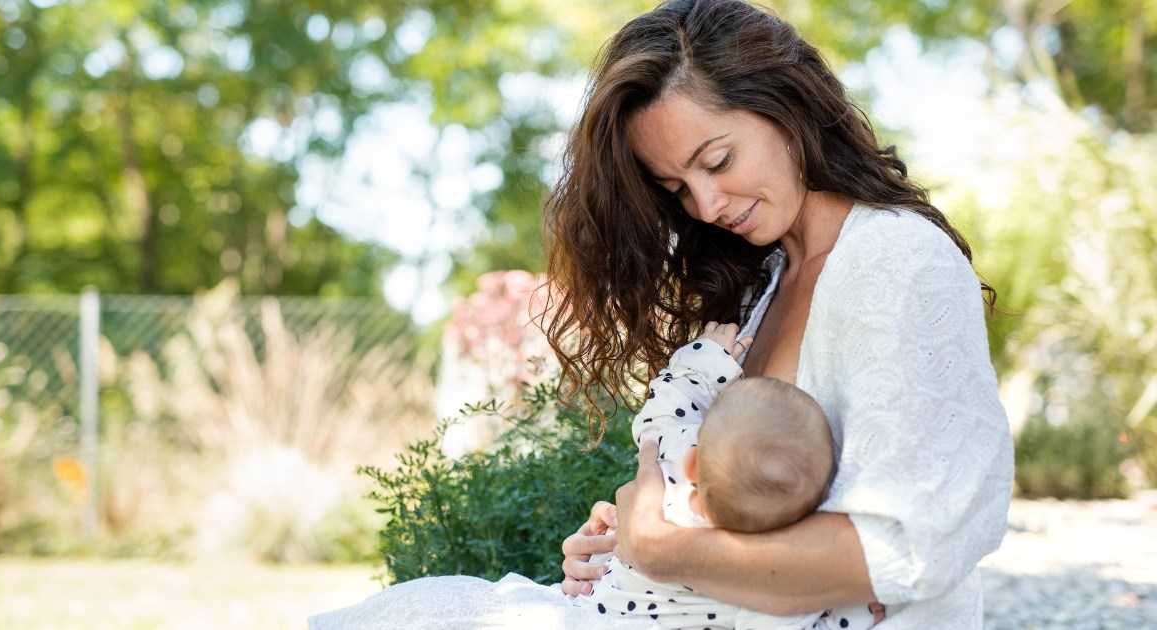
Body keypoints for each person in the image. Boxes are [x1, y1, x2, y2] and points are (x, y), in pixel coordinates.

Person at [310, 1, 1013, 628]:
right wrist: (622, 551)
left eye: (719, 159)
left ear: (786, 106)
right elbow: (718, 497)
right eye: (677, 187)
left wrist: (664, 548)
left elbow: (907, 547)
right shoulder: (766, 281)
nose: (705, 207)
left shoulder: (895, 262)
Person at [577, 320, 876, 630]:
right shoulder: (763, 580)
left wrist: (706, 357)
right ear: (822, 497)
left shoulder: (677, 462)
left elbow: (661, 415)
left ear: (692, 465)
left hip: (591, 608)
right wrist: (858, 612)